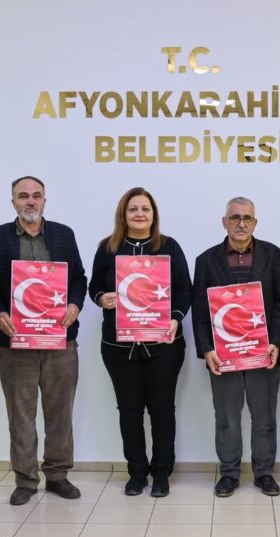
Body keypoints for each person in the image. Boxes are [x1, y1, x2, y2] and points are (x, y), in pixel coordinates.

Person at [0, 176, 87, 506]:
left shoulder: (63, 235)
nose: (30, 201)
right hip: (15, 345)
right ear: (12, 202)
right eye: (23, 196)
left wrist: (75, 305)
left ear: (45, 201)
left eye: (36, 196)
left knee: (60, 413)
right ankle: (25, 479)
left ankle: (57, 475)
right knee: (21, 415)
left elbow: (79, 278)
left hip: (60, 343)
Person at [89, 187, 191, 497]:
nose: (139, 214)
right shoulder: (107, 248)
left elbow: (185, 290)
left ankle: (162, 472)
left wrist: (175, 318)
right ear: (124, 214)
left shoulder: (169, 247)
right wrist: (102, 298)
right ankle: (136, 472)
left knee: (162, 410)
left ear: (153, 214)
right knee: (129, 411)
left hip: (163, 345)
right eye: (133, 209)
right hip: (120, 348)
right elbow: (94, 286)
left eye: (145, 209)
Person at [192, 197, 280, 497]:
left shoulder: (275, 256)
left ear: (255, 223)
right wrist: (207, 349)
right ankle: (229, 474)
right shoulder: (206, 260)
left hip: (264, 355)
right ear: (224, 222)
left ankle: (264, 473)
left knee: (264, 418)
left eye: (247, 218)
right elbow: (199, 310)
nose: (241, 223)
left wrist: (276, 343)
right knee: (227, 419)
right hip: (224, 356)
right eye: (234, 217)